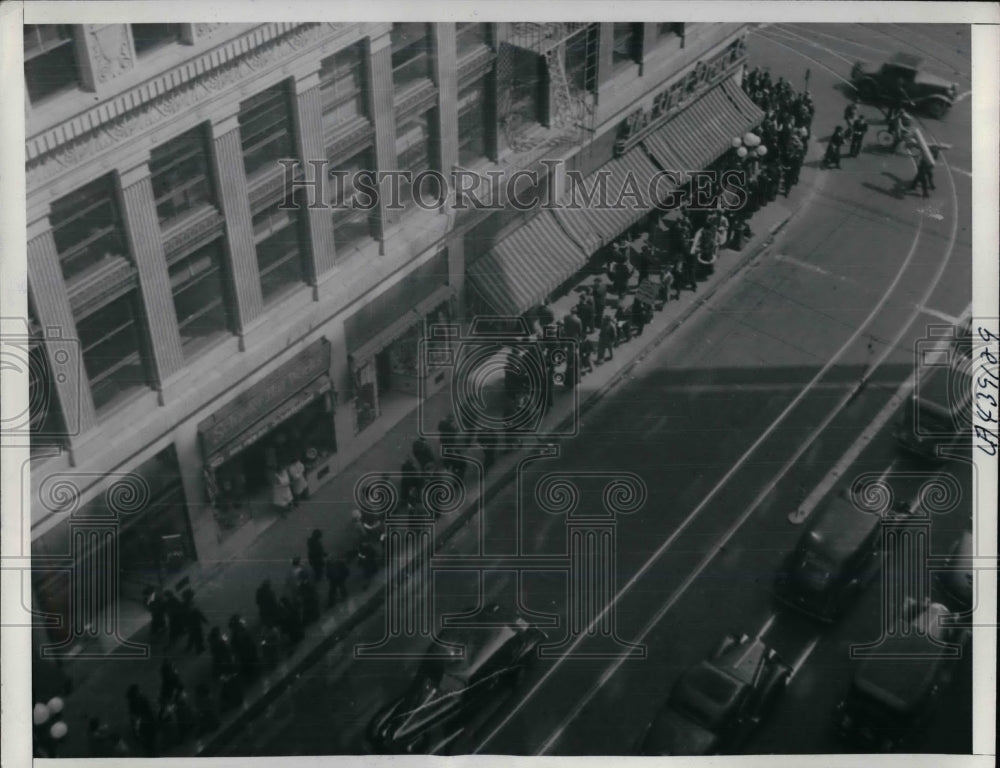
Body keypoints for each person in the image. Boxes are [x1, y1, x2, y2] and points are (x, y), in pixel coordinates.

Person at [126, 684, 158, 757]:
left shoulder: (134, 700)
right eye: (138, 691)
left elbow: (133, 714)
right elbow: (148, 710)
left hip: (142, 722)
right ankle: (151, 750)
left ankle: (149, 749)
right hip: (145, 722)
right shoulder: (141, 699)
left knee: (146, 739)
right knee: (149, 739)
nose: (140, 691)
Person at [182, 589, 207, 655]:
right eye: (191, 595)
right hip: (195, 624)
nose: (193, 596)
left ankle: (189, 647)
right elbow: (197, 613)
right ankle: (199, 649)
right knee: (198, 637)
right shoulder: (188, 604)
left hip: (192, 624)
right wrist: (204, 619)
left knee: (193, 636)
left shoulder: (187, 604)